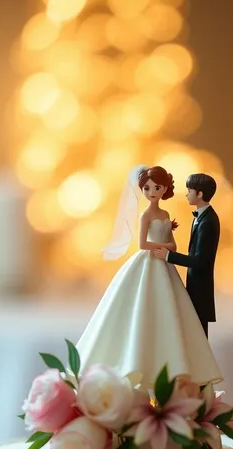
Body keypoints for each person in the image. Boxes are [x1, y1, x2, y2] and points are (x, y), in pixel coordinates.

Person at [76, 166, 222, 388]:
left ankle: (183, 372)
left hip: (166, 264)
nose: (152, 192)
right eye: (146, 188)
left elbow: (174, 244)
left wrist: (168, 252)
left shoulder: (166, 215)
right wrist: (165, 250)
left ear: (164, 188)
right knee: (142, 305)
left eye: (156, 187)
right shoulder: (146, 215)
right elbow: (142, 244)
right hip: (149, 262)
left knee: (170, 309)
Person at [154, 173, 220, 338]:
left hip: (201, 288)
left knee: (198, 334)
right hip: (194, 284)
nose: (186, 194)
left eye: (189, 190)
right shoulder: (200, 218)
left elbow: (200, 261)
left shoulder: (208, 221)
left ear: (200, 194)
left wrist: (169, 256)